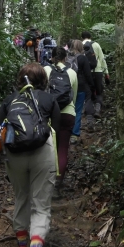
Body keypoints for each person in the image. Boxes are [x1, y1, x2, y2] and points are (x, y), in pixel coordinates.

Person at [0, 62, 60, 247]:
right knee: (40, 206)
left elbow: (1, 131)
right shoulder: (48, 99)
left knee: (21, 197)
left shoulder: (9, 100)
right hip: (43, 153)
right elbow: (57, 127)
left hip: (15, 155)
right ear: (43, 79)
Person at [43, 46, 78, 188]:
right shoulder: (72, 73)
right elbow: (73, 96)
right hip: (67, 113)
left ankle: (47, 182)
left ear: (52, 57)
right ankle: (58, 183)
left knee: (47, 149)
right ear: (65, 58)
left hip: (49, 114)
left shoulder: (45, 70)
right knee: (62, 148)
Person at [69, 39, 94, 145]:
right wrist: (92, 85)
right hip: (80, 86)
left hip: (68, 86)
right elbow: (88, 74)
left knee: (68, 109)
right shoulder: (83, 58)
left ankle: (66, 132)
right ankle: (74, 135)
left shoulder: (68, 57)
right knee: (78, 110)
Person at [82, 31, 109, 118]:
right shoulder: (96, 45)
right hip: (98, 71)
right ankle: (97, 110)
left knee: (88, 93)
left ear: (82, 37)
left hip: (86, 73)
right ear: (91, 37)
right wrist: (106, 73)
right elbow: (102, 59)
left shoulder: (79, 45)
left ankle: (88, 113)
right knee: (99, 92)